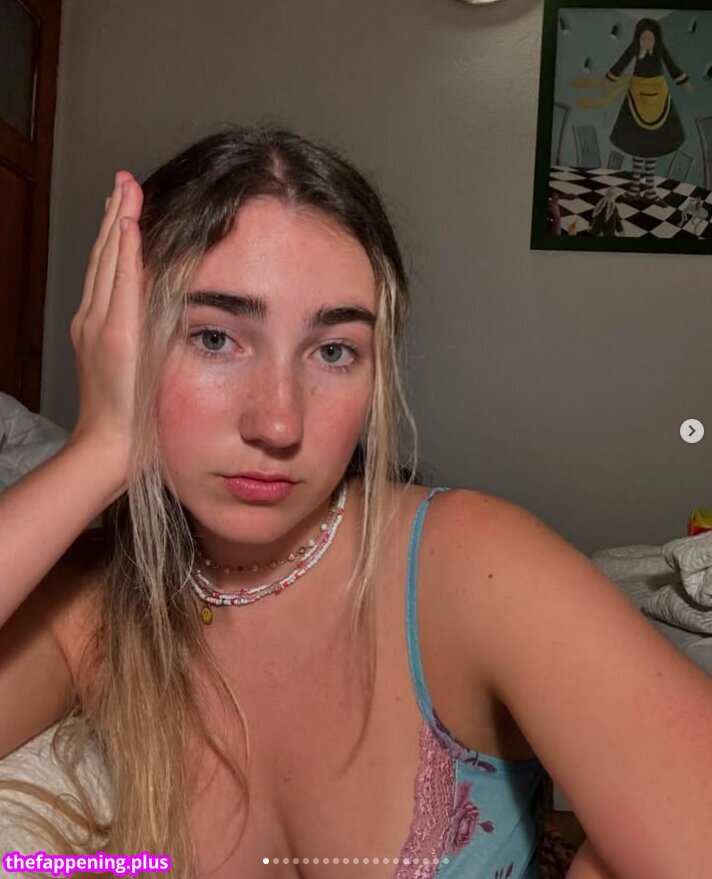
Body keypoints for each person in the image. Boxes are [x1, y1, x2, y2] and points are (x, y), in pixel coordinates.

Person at [1, 126, 712, 879]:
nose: (279, 422)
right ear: (124, 343)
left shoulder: (474, 569)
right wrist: (99, 450)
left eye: (334, 351)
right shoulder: (95, 609)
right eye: (213, 338)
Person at [604, 18, 693, 205]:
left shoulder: (660, 50)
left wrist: (683, 82)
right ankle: (634, 189)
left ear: (656, 39)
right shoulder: (634, 48)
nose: (646, 42)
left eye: (650, 38)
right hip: (636, 97)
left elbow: (671, 65)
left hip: (659, 98)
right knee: (637, 144)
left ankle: (651, 191)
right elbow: (622, 62)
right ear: (638, 38)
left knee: (653, 146)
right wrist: (610, 78)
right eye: (643, 38)